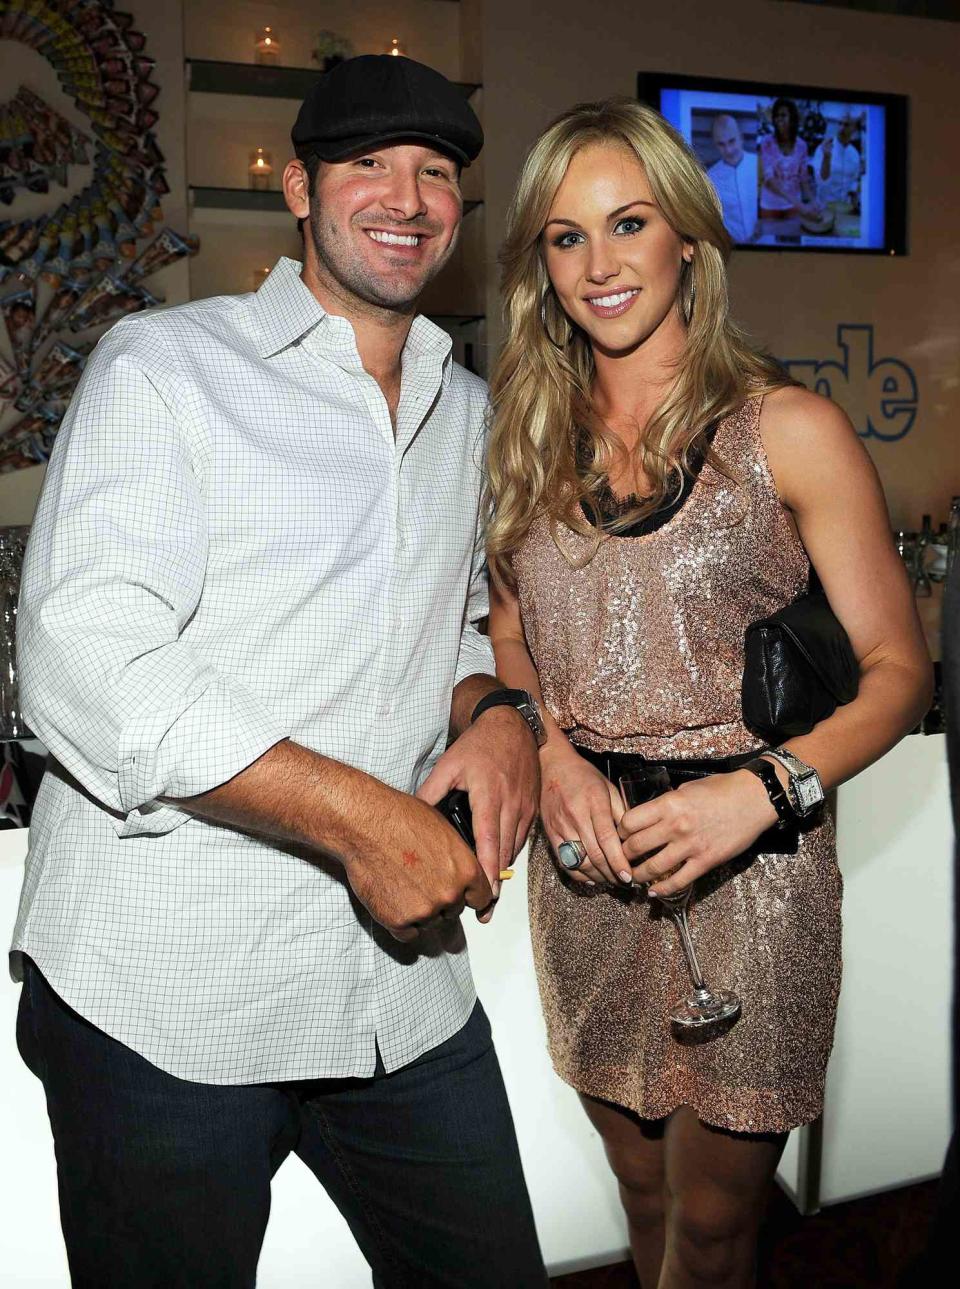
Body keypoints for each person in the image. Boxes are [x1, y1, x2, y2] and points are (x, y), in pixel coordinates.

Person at [11, 55, 547, 1288]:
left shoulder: (468, 412)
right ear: (300, 189)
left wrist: (501, 713)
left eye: (437, 174)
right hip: (164, 993)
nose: (407, 198)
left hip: (395, 992)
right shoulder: (165, 365)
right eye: (370, 165)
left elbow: (455, 627)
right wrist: (362, 817)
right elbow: (84, 659)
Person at [485, 96, 932, 1288]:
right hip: (585, 866)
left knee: (721, 1221)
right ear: (541, 261)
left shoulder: (787, 428)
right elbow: (511, 639)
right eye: (567, 236)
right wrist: (552, 751)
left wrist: (763, 791)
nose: (601, 263)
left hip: (756, 875)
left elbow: (901, 672)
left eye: (628, 222)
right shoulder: (525, 438)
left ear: (688, 234)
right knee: (638, 1187)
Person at [757, 97, 817, 239]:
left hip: (793, 206)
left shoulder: (802, 145)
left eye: (783, 115)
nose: (779, 119)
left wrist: (814, 201)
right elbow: (769, 180)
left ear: (793, 118)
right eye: (776, 116)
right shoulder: (767, 143)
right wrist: (800, 204)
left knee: (792, 245)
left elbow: (803, 179)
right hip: (770, 205)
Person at [706, 113, 757, 244]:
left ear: (741, 138)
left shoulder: (760, 164)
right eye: (721, 144)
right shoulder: (710, 178)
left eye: (732, 141)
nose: (728, 150)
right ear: (715, 145)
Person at [812, 113, 862, 207]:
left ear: (854, 130)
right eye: (840, 123)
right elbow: (821, 181)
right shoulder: (823, 148)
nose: (842, 128)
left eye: (846, 125)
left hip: (844, 209)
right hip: (824, 207)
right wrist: (827, 158)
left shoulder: (855, 154)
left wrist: (854, 196)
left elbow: (853, 180)